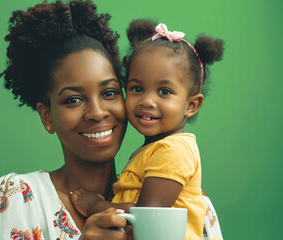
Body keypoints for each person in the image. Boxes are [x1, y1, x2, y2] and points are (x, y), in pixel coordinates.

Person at [0, 1, 130, 239]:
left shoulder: (177, 199)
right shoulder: (19, 198)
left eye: (109, 93)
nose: (97, 112)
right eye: (74, 100)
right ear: (47, 117)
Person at [69, 19, 225, 240]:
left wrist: (95, 204)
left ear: (191, 105)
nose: (147, 101)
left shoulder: (174, 151)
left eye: (164, 91)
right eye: (137, 88)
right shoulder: (155, 150)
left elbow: (146, 219)